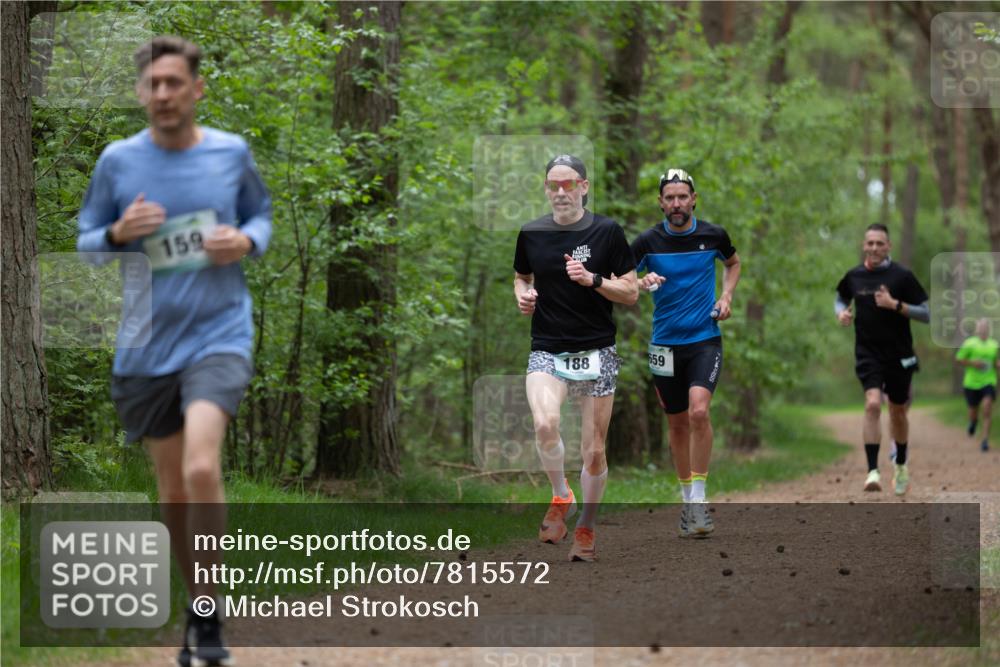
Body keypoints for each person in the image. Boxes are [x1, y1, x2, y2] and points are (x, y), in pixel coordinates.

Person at [77, 36, 272, 667]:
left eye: (173, 83)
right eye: (152, 84)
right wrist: (114, 233)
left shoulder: (229, 153)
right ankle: (200, 603)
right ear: (141, 93)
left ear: (196, 89)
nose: (162, 94)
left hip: (219, 334)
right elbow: (84, 241)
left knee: (200, 468)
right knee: (172, 492)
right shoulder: (117, 162)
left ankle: (209, 619)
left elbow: (260, 215)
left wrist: (244, 241)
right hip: (146, 346)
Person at [513, 155, 638, 562]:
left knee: (594, 452)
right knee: (545, 422)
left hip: (597, 350)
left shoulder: (607, 232)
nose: (561, 192)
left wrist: (593, 280)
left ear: (584, 186)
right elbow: (521, 275)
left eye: (569, 184)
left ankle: (586, 525)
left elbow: (631, 292)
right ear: (546, 188)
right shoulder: (531, 233)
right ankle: (560, 495)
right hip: (547, 348)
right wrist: (523, 295)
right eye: (554, 185)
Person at [630, 169, 740, 538]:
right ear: (660, 203)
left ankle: (700, 498)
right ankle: (686, 500)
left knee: (698, 411)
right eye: (670, 198)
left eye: (682, 197)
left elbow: (733, 263)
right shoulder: (647, 241)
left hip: (704, 338)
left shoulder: (713, 235)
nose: (676, 204)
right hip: (664, 343)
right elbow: (621, 278)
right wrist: (641, 281)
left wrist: (726, 297)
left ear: (694, 199)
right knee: (676, 423)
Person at [835, 223, 929, 496]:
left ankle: (900, 464)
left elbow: (927, 313)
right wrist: (841, 314)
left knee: (898, 411)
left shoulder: (902, 276)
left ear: (888, 246)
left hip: (899, 355)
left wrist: (895, 305)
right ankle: (872, 471)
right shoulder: (853, 276)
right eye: (870, 243)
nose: (874, 248)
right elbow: (840, 298)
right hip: (867, 353)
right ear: (864, 245)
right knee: (873, 404)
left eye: (880, 243)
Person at [955, 317, 998, 452]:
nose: (983, 329)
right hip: (971, 383)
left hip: (989, 381)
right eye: (981, 327)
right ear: (977, 329)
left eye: (986, 327)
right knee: (973, 412)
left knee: (987, 407)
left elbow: (995, 362)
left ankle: (985, 440)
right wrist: (974, 363)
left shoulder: (994, 344)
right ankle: (973, 422)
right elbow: (959, 359)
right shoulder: (970, 343)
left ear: (989, 330)